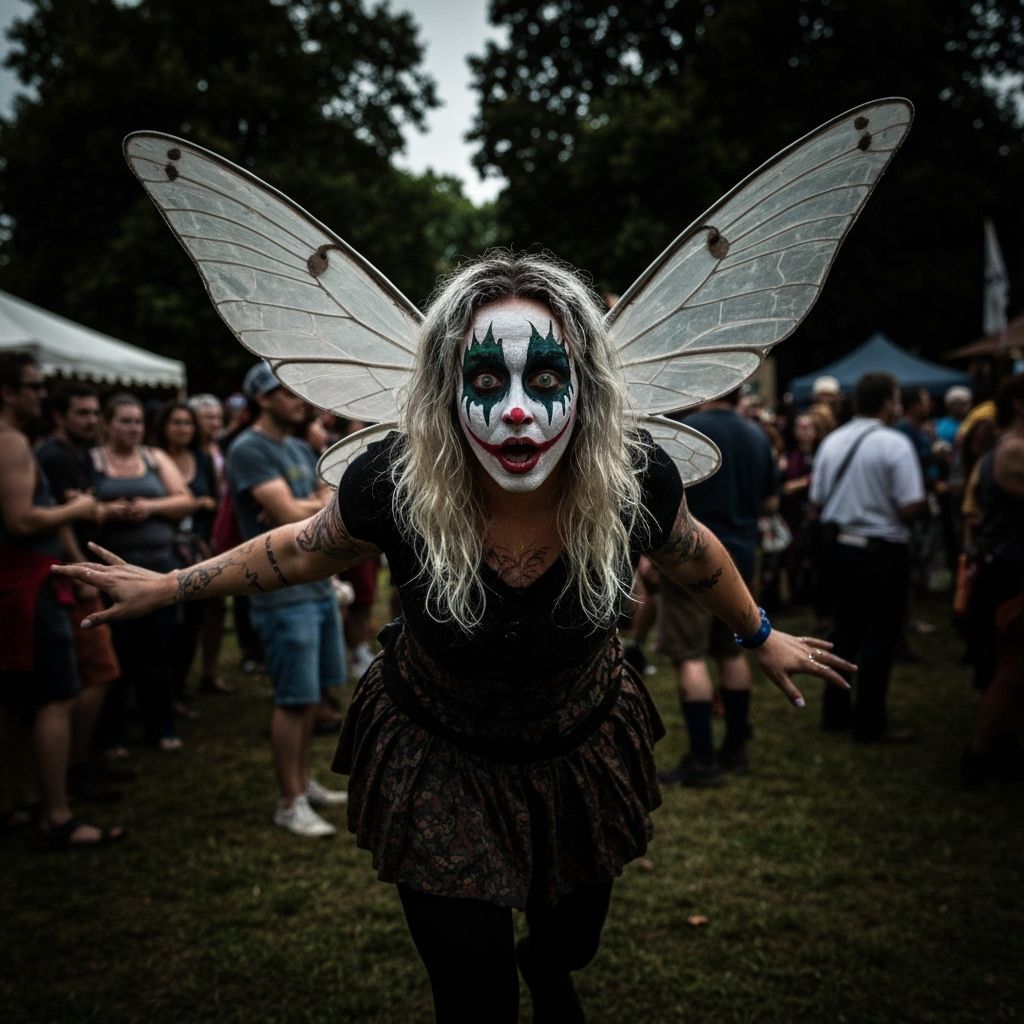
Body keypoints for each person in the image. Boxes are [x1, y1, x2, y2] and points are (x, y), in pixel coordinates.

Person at [57, 255, 853, 1023]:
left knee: (570, 941)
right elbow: (301, 547)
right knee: (473, 999)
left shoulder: (633, 476)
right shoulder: (394, 481)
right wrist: (167, 585)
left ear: (586, 386)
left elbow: (691, 551)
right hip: (440, 756)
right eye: (484, 380)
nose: (515, 410)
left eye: (545, 378)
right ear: (446, 388)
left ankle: (548, 965)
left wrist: (762, 633)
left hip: (576, 747)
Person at [0, 352, 124, 848]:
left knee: (11, 701)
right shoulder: (9, 440)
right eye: (31, 386)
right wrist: (78, 506)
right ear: (7, 392)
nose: (40, 395)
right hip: (26, 584)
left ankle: (18, 801)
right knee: (57, 697)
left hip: (23, 581)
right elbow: (23, 520)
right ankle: (57, 814)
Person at [225, 362, 348, 837]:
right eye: (285, 389)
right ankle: (289, 799)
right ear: (261, 397)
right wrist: (312, 505)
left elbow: (330, 501)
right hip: (279, 593)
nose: (299, 396)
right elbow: (291, 513)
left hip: (316, 586)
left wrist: (309, 506)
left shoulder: (299, 446)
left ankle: (304, 781)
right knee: (293, 699)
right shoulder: (249, 449)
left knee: (314, 697)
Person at [657, 388, 779, 786]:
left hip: (690, 558)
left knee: (691, 657)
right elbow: (771, 502)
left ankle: (702, 760)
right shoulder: (757, 435)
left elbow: (662, 500)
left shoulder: (687, 432)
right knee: (733, 650)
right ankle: (736, 749)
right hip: (743, 555)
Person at [810, 372, 926, 742]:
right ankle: (869, 722)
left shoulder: (832, 441)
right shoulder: (896, 444)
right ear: (889, 402)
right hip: (883, 552)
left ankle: (834, 713)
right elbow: (910, 505)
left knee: (844, 630)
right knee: (879, 636)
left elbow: (816, 499)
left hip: (840, 548)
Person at [35, 381, 126, 799]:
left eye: (94, 413)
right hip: (70, 581)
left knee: (98, 671)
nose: (91, 420)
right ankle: (74, 767)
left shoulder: (74, 455)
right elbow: (65, 522)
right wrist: (81, 576)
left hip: (81, 576)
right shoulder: (53, 456)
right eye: (82, 413)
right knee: (94, 671)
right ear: (59, 416)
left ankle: (82, 760)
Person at [89, 393, 195, 754]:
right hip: (110, 572)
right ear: (107, 423)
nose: (133, 428)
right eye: (124, 421)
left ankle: (160, 725)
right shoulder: (94, 461)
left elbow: (184, 499)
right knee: (118, 651)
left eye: (137, 421)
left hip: (158, 566)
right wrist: (109, 511)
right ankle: (113, 732)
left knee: (158, 650)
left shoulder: (154, 457)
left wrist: (149, 506)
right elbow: (78, 506)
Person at [962, 374, 1024, 785]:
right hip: (1008, 571)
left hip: (999, 565)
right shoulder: (1014, 450)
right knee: (1012, 666)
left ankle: (998, 744)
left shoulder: (1002, 446)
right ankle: (982, 756)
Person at [152, 400, 220, 718]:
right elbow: (197, 503)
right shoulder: (153, 460)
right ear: (163, 426)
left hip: (197, 549)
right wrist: (195, 503)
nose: (182, 428)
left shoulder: (203, 459)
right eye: (175, 422)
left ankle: (178, 689)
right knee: (163, 627)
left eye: (187, 423)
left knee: (192, 622)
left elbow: (214, 503)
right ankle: (159, 694)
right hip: (163, 549)